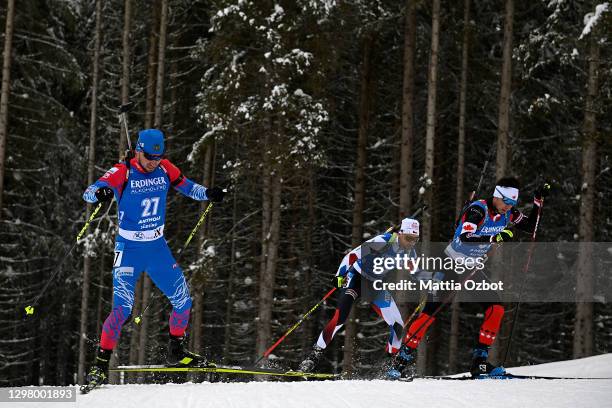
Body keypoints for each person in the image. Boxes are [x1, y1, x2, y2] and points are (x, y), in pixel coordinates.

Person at [81, 129, 225, 387]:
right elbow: (90, 191)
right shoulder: (122, 171)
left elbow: (187, 186)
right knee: (122, 310)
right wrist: (100, 194)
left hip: (157, 248)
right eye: (149, 157)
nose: (153, 162)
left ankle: (176, 350)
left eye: (158, 157)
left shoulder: (165, 168)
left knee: (183, 301)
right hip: (129, 250)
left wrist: (208, 193)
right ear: (138, 150)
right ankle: (100, 366)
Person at [387, 177, 548, 379]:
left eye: (513, 203)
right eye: (506, 201)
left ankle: (479, 362)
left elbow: (531, 226)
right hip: (451, 264)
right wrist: (493, 238)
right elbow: (465, 237)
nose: (509, 206)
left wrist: (538, 200)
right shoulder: (477, 210)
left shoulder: (509, 213)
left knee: (495, 308)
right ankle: (401, 360)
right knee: (430, 312)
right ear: (497, 196)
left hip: (472, 268)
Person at [299, 217, 421, 373]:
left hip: (375, 285)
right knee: (340, 317)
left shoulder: (410, 252)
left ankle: (392, 366)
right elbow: (351, 256)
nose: (411, 243)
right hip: (357, 278)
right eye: (409, 238)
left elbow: (417, 272)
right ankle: (312, 358)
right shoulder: (382, 241)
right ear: (401, 233)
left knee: (398, 325)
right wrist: (339, 276)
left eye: (415, 240)